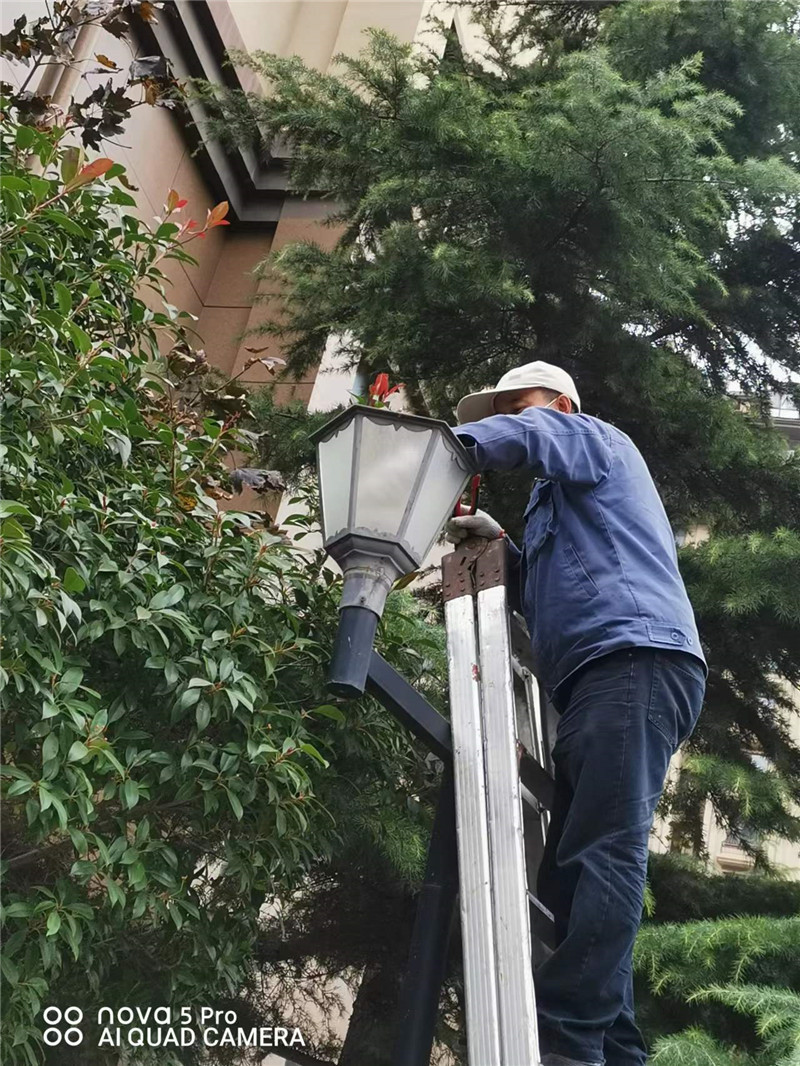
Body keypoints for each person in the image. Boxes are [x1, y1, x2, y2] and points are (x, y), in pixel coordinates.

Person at [447, 360, 706, 1066]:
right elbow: (553, 588)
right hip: (603, 672)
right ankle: (615, 1050)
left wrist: (443, 452)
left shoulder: (594, 439)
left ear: (561, 405)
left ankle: (566, 1039)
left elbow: (535, 436)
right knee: (569, 875)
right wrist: (504, 556)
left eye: (517, 406)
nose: (508, 419)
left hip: (632, 657)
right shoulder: (557, 503)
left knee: (601, 853)